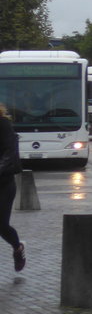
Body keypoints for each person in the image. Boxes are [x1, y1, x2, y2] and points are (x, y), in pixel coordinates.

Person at [0, 103, 26, 272]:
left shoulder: (3, 125)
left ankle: (18, 248)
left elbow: (10, 153)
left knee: (1, 225)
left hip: (3, 183)